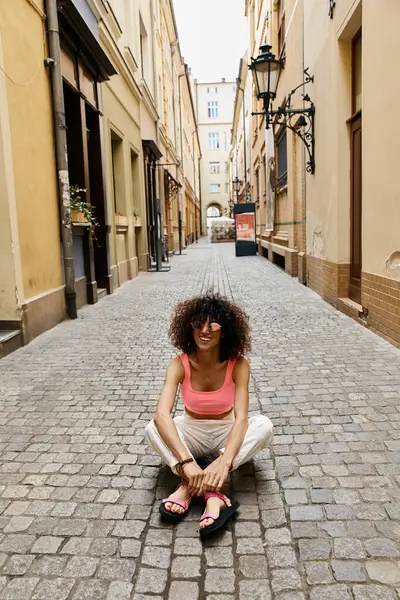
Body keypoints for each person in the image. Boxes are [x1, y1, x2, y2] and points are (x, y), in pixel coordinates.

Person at [145, 291, 273, 538]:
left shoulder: (239, 364)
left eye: (213, 324)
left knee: (264, 426)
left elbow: (242, 419)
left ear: (224, 330)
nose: (205, 330)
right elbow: (162, 414)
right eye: (198, 324)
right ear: (189, 328)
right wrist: (186, 462)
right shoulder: (178, 364)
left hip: (224, 433)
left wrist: (223, 464)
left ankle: (190, 488)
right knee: (152, 427)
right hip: (191, 432)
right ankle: (211, 493)